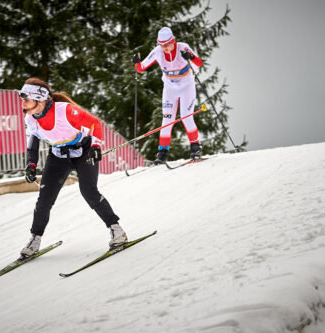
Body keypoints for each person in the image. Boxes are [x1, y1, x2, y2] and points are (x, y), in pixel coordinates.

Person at [18, 77, 127, 257]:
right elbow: (33, 143)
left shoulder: (65, 111)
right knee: (44, 199)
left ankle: (117, 230)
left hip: (83, 150)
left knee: (88, 190)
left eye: (26, 99)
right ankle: (34, 239)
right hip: (59, 155)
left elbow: (95, 124)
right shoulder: (30, 119)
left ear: (41, 98)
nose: (23, 103)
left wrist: (96, 146)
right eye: (22, 99)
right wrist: (31, 165)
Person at [133, 27, 204, 164]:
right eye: (162, 45)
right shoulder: (158, 52)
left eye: (167, 44)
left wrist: (191, 57)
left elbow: (199, 63)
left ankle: (195, 148)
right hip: (170, 89)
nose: (164, 48)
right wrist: (136, 62)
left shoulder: (183, 48)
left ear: (173, 41)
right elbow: (140, 68)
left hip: (186, 87)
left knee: (186, 116)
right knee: (167, 120)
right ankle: (162, 154)